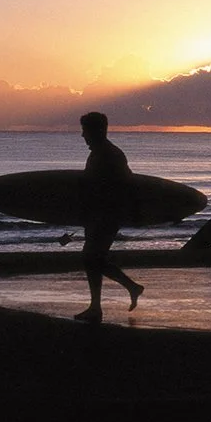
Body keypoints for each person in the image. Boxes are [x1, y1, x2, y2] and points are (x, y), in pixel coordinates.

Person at [74, 111, 144, 323]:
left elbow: (126, 183)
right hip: (99, 214)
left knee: (91, 258)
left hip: (107, 215)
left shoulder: (109, 154)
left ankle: (98, 306)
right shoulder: (101, 153)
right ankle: (125, 290)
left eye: (85, 131)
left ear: (97, 130)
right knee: (94, 259)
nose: (82, 136)